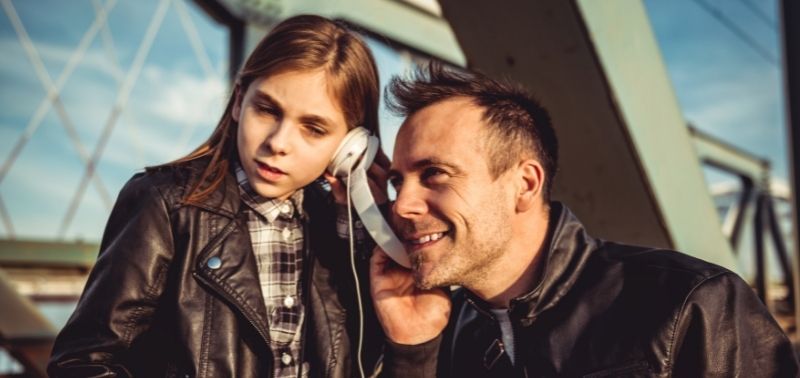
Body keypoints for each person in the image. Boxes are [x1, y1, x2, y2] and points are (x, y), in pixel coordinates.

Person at [370, 63, 799, 377]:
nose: (402, 205)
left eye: (435, 175)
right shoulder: (436, 336)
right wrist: (413, 355)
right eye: (396, 182)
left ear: (524, 183)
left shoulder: (690, 303)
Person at [48, 15, 388, 378]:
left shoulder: (342, 232)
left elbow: (374, 359)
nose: (278, 143)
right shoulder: (164, 203)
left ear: (352, 148)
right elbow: (83, 364)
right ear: (239, 101)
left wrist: (370, 225)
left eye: (313, 128)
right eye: (268, 110)